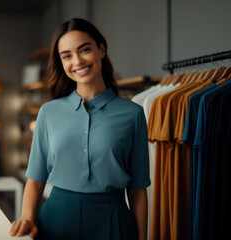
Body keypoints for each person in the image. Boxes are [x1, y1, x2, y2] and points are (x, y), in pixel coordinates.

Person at [10, 18, 150, 240]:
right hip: (56, 221)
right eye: (67, 56)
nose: (77, 61)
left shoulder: (132, 114)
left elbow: (138, 189)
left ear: (101, 49)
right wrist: (27, 218)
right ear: (61, 62)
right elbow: (36, 180)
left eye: (84, 50)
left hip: (113, 222)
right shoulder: (48, 113)